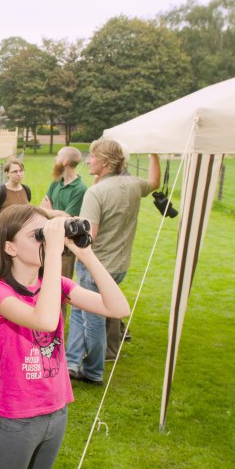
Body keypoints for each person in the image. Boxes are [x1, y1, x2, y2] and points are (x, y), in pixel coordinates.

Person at [0, 204, 130, 469]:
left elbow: (118, 308)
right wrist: (56, 254)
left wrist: (85, 253)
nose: (45, 242)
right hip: (16, 420)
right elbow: (45, 320)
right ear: (10, 247)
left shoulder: (55, 285)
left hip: (56, 412)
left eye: (46, 235)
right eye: (37, 236)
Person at [66, 138, 159, 383]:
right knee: (79, 310)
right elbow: (155, 182)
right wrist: (154, 152)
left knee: (93, 319)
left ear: (105, 164)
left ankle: (93, 371)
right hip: (119, 267)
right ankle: (72, 362)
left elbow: (89, 237)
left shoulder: (95, 192)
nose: (88, 159)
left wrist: (66, 231)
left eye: (92, 156)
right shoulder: (134, 184)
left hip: (95, 267)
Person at [40, 146, 88, 316]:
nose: (55, 160)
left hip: (65, 249)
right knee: (42, 285)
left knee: (59, 289)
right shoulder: (56, 182)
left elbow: (67, 219)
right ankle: (41, 321)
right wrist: (58, 213)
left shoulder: (80, 189)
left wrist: (52, 211)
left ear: (65, 162)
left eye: (58, 157)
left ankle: (55, 326)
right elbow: (42, 209)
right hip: (46, 243)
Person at [0, 158, 31, 230]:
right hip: (4, 236)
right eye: (15, 171)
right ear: (7, 173)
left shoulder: (26, 189)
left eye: (21, 171)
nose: (19, 174)